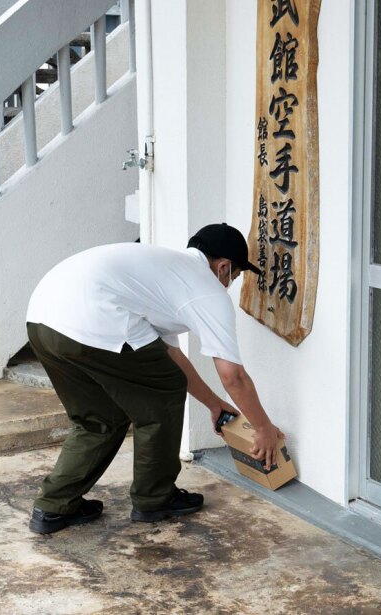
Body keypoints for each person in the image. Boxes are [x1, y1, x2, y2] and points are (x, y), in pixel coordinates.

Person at [24, 223, 285, 534]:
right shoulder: (208, 289)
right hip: (93, 319)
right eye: (236, 276)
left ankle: (53, 507)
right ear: (224, 267)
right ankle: (154, 498)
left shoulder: (163, 274)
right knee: (160, 398)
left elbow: (170, 357)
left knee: (99, 418)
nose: (231, 283)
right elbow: (234, 376)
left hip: (42, 319)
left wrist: (214, 405)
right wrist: (263, 428)